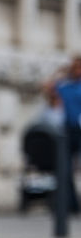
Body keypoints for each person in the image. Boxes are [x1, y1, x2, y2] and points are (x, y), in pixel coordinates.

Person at [52, 55, 81, 213]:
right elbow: (47, 87)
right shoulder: (65, 86)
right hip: (69, 130)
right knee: (66, 168)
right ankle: (72, 204)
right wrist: (59, 71)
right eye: (75, 67)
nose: (78, 71)